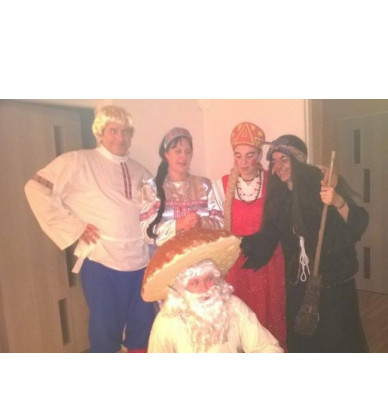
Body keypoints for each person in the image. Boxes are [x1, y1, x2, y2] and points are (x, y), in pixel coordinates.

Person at [24, 105, 157, 353]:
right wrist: (74, 228)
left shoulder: (142, 172)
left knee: (143, 330)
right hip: (101, 259)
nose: (120, 137)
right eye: (113, 130)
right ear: (100, 133)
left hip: (140, 262)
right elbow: (35, 188)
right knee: (105, 333)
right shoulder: (78, 161)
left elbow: (155, 214)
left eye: (126, 131)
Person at [241, 134, 369, 353]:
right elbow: (268, 236)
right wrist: (237, 243)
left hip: (332, 282)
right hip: (299, 284)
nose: (278, 166)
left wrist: (337, 200)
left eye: (284, 159)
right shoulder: (278, 195)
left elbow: (357, 223)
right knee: (303, 339)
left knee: (336, 339)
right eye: (274, 161)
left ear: (298, 160)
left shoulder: (324, 183)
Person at [214, 121, 287, 350]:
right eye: (238, 156)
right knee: (239, 316)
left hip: (268, 261)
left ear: (260, 155)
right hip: (237, 262)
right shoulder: (222, 184)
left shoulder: (273, 181)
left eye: (250, 155)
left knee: (268, 315)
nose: (244, 162)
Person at [148, 259, 283, 353]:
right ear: (180, 289)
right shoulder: (166, 319)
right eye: (195, 283)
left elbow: (267, 346)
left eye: (209, 279)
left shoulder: (233, 305)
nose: (204, 288)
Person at [141, 127, 223, 246]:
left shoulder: (205, 185)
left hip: (202, 254)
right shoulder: (151, 188)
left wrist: (201, 222)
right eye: (178, 151)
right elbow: (147, 232)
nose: (183, 157)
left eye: (187, 152)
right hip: (167, 256)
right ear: (166, 154)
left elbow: (221, 224)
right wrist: (178, 224)